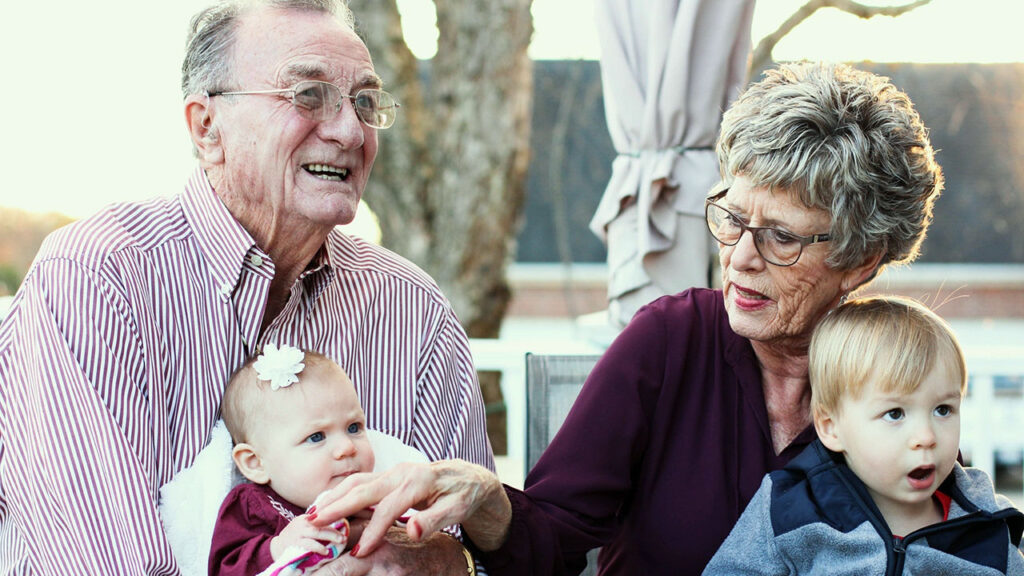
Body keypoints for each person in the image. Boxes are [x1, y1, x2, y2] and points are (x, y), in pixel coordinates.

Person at [307, 61, 949, 575]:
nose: (740, 258)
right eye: (732, 217)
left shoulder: (904, 373)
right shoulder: (669, 342)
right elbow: (551, 541)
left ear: (862, 258)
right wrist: (487, 496)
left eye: (781, 236)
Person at [0, 1, 492, 574]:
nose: (349, 130)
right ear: (208, 128)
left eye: (363, 101)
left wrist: (417, 558)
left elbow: (468, 552)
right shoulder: (97, 278)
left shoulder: (412, 306)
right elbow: (98, 563)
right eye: (308, 95)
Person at [703, 296, 1024, 575]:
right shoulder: (790, 509)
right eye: (895, 414)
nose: (926, 437)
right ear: (830, 427)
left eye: (942, 409)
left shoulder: (986, 527)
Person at [209, 345, 373, 575]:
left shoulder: (373, 498)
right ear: (255, 462)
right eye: (316, 437)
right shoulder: (254, 506)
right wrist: (277, 548)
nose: (347, 447)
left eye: (354, 427)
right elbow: (224, 568)